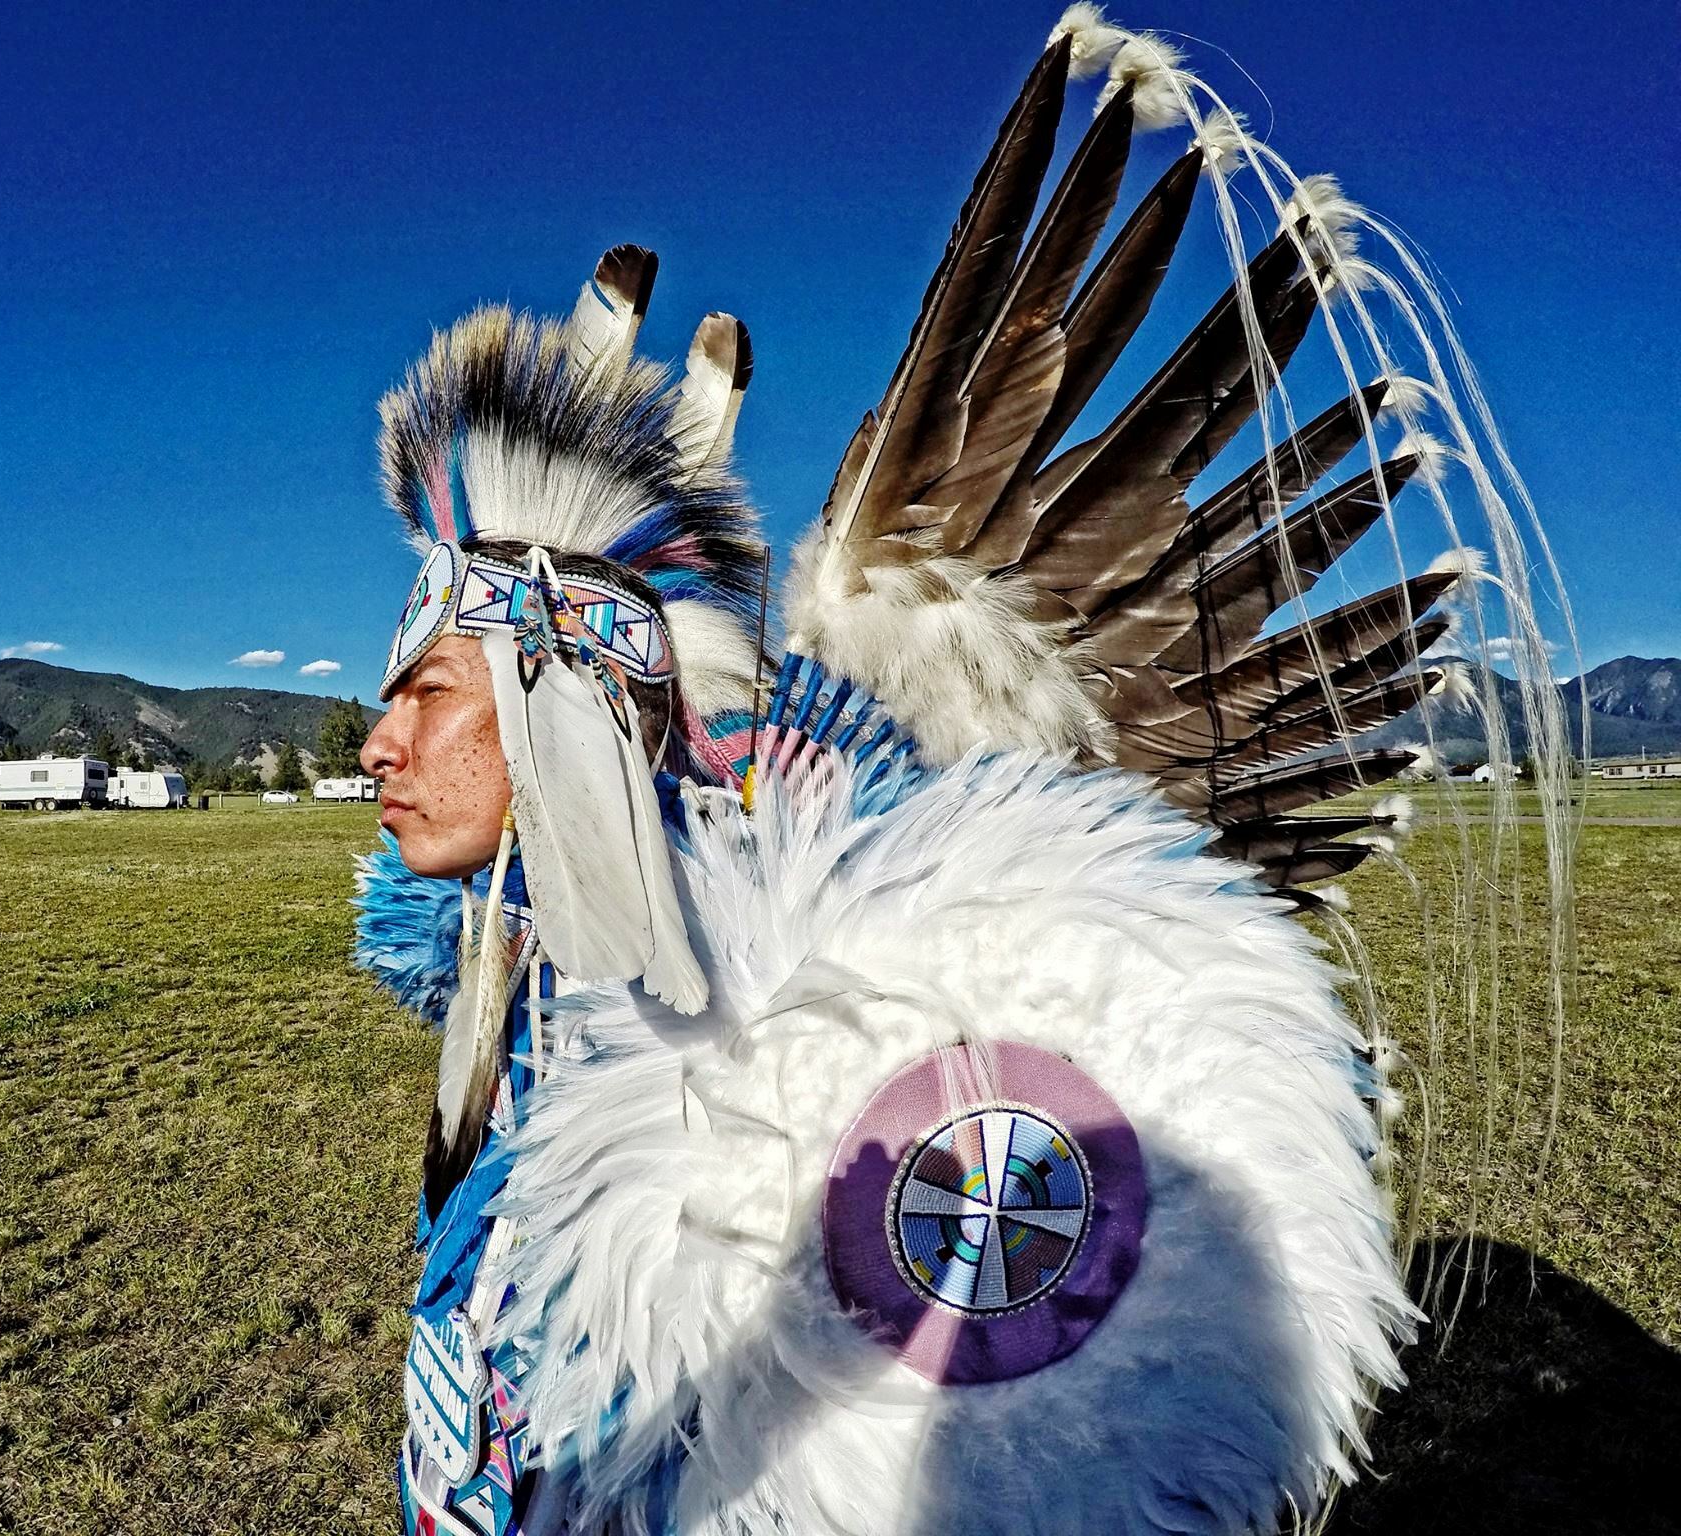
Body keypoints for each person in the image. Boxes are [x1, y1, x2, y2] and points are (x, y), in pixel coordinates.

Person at [355, 8, 1575, 1533]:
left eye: (423, 690)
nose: (375, 740)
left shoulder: (815, 949)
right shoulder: (525, 968)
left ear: (556, 711)